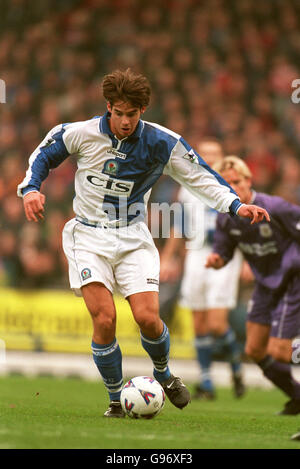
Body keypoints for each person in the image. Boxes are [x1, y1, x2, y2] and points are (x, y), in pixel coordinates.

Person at [17, 69, 269, 418]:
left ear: (143, 111)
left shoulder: (162, 143)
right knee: (104, 318)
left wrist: (236, 205)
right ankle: (115, 399)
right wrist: (31, 189)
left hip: (132, 237)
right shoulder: (81, 133)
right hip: (88, 235)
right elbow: (43, 155)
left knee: (148, 318)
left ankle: (163, 374)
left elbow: (201, 176)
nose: (124, 121)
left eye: (131, 114)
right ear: (108, 107)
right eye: (118, 113)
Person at [206, 155, 300, 415]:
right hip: (265, 284)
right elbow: (223, 251)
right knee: (254, 349)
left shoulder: (276, 207)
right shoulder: (226, 217)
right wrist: (217, 260)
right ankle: (296, 395)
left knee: (279, 351)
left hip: (292, 280)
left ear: (249, 180)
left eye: (236, 181)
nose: (232, 187)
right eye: (225, 183)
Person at [160, 139, 246, 400]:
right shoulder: (187, 187)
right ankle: (207, 383)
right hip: (196, 255)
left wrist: (248, 258)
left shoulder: (232, 185)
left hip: (224, 255)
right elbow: (179, 227)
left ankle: (236, 368)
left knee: (217, 323)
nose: (208, 158)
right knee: (198, 322)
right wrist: (167, 258)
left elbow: (244, 224)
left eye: (214, 154)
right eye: (204, 153)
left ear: (222, 157)